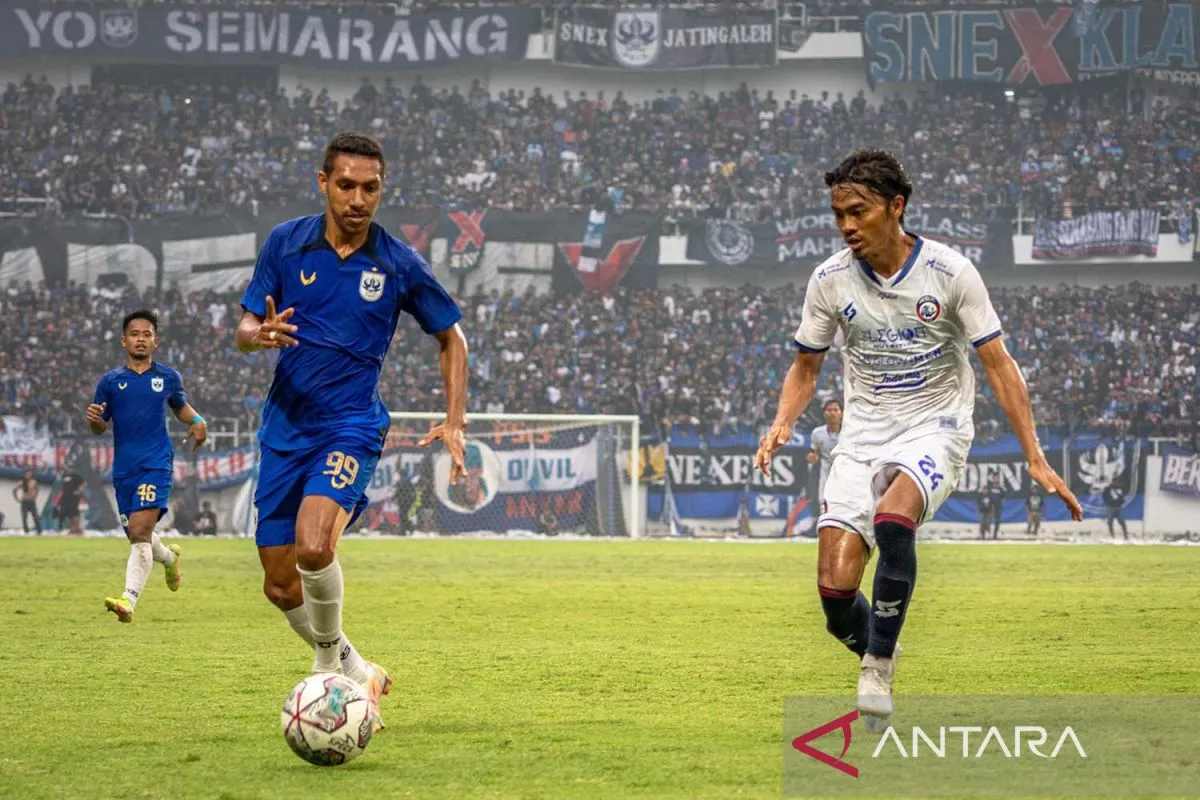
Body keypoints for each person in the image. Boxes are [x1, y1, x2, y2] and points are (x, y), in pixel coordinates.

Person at [753, 148, 1082, 730]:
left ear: (896, 206)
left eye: (858, 211)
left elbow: (999, 365)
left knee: (893, 515)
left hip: (935, 426)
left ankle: (878, 665)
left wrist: (1034, 454)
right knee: (835, 598)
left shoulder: (950, 273)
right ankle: (879, 643)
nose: (847, 225)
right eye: (839, 215)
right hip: (862, 436)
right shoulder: (829, 280)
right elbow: (806, 367)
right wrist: (782, 421)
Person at [235, 132, 468, 731]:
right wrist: (258, 335)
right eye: (346, 185)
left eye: (370, 188)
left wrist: (454, 420)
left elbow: (451, 337)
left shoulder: (397, 262)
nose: (358, 199)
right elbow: (244, 327)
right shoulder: (286, 243)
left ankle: (326, 675)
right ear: (324, 183)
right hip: (285, 427)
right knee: (280, 585)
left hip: (352, 425)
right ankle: (360, 669)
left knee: (315, 547)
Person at [87, 309, 206, 622]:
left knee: (140, 531)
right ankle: (168, 558)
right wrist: (95, 420)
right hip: (124, 469)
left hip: (156, 464)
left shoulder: (167, 377)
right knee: (137, 534)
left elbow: (181, 407)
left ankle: (128, 600)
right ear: (124, 340)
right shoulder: (110, 382)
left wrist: (197, 420)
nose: (141, 339)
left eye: (147, 334)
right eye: (135, 334)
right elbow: (99, 426)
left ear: (156, 341)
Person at [806, 399, 843, 508]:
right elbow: (816, 453)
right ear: (824, 413)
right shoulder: (817, 433)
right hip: (825, 472)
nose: (832, 413)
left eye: (835, 410)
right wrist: (813, 457)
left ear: (842, 413)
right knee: (823, 502)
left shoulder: (848, 432)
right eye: (829, 410)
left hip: (844, 471)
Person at [58, 464, 85, 535]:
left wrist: (79, 491)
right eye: (68, 468)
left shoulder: (75, 476)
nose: (69, 469)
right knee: (69, 515)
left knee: (74, 514)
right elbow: (63, 487)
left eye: (71, 468)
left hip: (73, 498)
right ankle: (72, 529)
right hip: (66, 498)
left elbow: (83, 483)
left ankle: (77, 529)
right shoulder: (64, 476)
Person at [12, 468, 41, 535]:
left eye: (30, 474)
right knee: (24, 517)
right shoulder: (22, 482)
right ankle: (26, 531)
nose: (29, 475)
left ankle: (39, 530)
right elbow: (14, 490)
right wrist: (17, 499)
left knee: (35, 516)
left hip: (32, 501)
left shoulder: (34, 481)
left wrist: (35, 496)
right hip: (24, 501)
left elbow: (37, 489)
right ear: (25, 475)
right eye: (27, 474)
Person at [984, 473, 1005, 539]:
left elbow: (1003, 497)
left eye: (997, 478)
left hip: (998, 507)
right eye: (995, 478)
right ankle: (988, 533)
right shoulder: (990, 488)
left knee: (997, 521)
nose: (996, 479)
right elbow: (986, 497)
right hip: (990, 507)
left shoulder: (1001, 489)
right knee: (988, 520)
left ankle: (995, 534)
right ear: (993, 479)